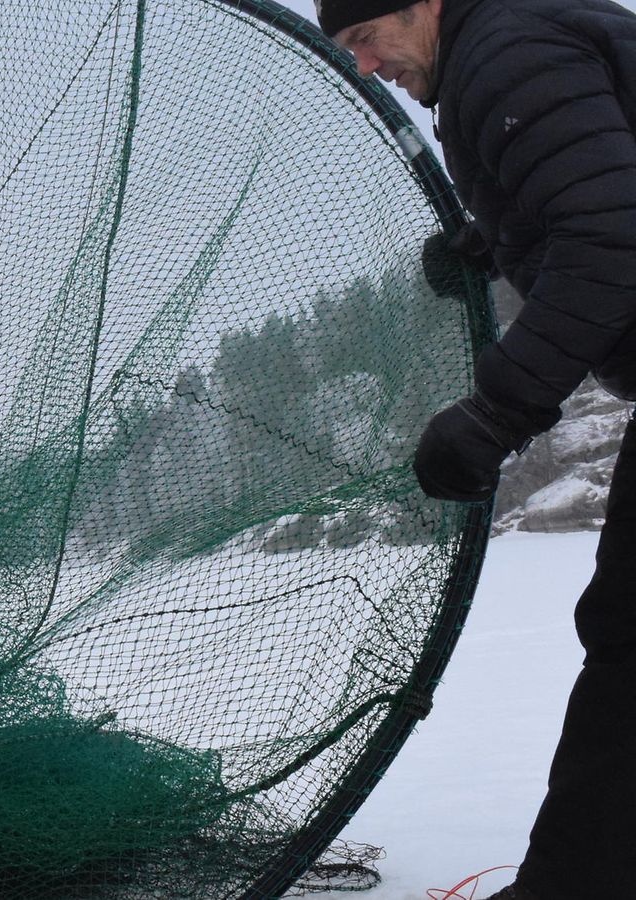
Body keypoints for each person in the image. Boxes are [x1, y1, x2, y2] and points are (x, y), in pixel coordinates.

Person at [317, 0, 636, 896]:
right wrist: (490, 240)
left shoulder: (504, 52)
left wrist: (498, 412)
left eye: (367, 38)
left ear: (423, 4)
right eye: (349, 53)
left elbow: (611, 236)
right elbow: (595, 178)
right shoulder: (509, 44)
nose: (369, 65)